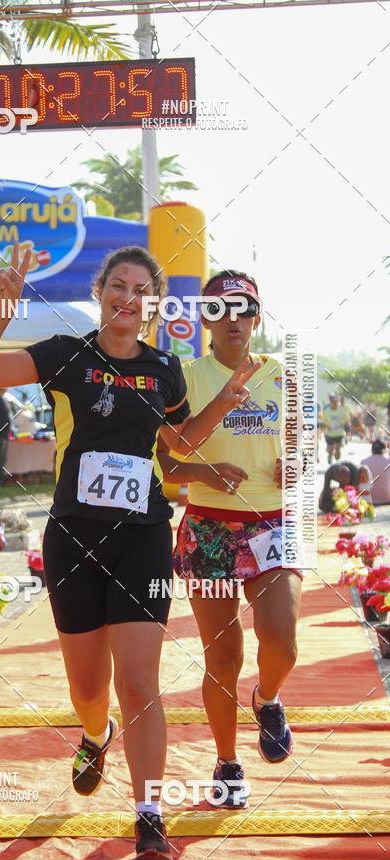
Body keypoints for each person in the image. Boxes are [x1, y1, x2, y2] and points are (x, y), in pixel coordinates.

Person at [0, 243, 260, 860]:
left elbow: (175, 443)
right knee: (89, 687)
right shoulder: (65, 355)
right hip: (72, 537)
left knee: (140, 681)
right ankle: (95, 734)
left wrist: (223, 403)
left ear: (154, 304)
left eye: (142, 290)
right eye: (118, 285)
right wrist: (2, 307)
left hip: (143, 536)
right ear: (100, 293)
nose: (129, 298)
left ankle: (149, 812)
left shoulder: (165, 369)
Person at [159, 269, 302, 810]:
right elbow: (167, 462)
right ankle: (227, 764)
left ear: (257, 317)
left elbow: (297, 444)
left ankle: (268, 699)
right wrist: (204, 473)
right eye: (219, 309)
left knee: (283, 642)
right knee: (222, 660)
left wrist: (297, 464)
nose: (233, 318)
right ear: (204, 319)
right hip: (209, 532)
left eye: (243, 308)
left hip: (272, 525)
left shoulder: (282, 375)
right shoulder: (183, 376)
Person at [322, 394, 350, 464]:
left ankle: (337, 462)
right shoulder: (327, 411)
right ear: (330, 402)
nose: (335, 403)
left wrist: (343, 424)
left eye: (336, 402)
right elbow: (323, 421)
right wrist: (327, 427)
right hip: (329, 433)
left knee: (338, 448)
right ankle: (330, 454)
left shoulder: (342, 410)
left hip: (339, 433)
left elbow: (346, 419)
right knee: (330, 449)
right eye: (333, 402)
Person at [360, 440, 390, 506]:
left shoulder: (363, 462)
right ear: (385, 450)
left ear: (372, 450)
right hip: (387, 499)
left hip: (369, 500)